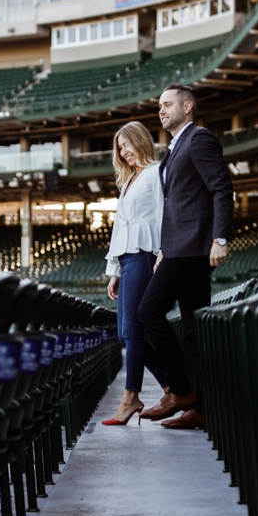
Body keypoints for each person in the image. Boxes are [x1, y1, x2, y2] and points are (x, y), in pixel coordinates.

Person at [137, 83, 232, 430]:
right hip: (177, 247)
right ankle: (200, 407)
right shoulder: (175, 148)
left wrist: (220, 238)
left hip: (194, 245)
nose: (161, 111)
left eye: (167, 104)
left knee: (147, 311)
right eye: (159, 106)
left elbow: (221, 187)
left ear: (188, 106)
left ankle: (179, 391)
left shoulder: (199, 139)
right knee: (191, 329)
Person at [100, 121, 167, 426]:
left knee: (133, 330)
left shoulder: (156, 173)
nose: (123, 151)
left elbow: (166, 215)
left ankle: (130, 398)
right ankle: (173, 388)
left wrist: (163, 252)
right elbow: (119, 229)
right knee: (124, 333)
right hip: (126, 261)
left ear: (140, 141)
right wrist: (114, 271)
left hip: (143, 255)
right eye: (119, 147)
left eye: (126, 144)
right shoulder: (127, 181)